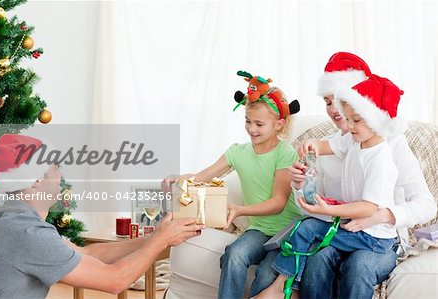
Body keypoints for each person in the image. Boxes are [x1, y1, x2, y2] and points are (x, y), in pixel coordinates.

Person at [0, 134, 204, 299]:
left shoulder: (9, 218)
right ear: (36, 180)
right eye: (55, 168)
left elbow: (87, 253)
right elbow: (115, 280)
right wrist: (160, 240)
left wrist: (154, 237)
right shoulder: (29, 234)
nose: (60, 175)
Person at [293, 53, 436, 299]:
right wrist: (299, 185)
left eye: (342, 100)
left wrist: (383, 214)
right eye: (329, 101)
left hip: (378, 238)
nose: (336, 109)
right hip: (343, 232)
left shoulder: (391, 144)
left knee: (358, 267)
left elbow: (426, 205)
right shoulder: (330, 144)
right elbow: (316, 210)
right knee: (317, 260)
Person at [257, 73, 412, 299]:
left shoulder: (380, 159)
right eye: (348, 119)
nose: (348, 126)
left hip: (373, 238)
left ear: (378, 120)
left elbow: (369, 208)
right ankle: (285, 285)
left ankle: (283, 287)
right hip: (358, 229)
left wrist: (328, 210)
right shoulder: (355, 141)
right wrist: (310, 146)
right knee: (308, 233)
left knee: (308, 228)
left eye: (356, 120)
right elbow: (325, 145)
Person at [162, 71, 302, 298]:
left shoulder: (284, 153)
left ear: (279, 124)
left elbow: (278, 203)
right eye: (248, 121)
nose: (252, 129)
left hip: (286, 232)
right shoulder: (238, 152)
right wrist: (177, 180)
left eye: (259, 124)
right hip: (258, 229)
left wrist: (239, 211)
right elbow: (203, 175)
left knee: (267, 274)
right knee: (234, 254)